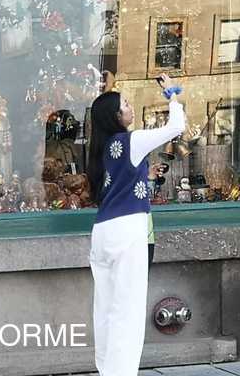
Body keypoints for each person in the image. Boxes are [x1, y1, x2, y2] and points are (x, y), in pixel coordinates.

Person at [87, 74, 186, 376]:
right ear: (116, 116)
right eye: (126, 104)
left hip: (103, 231)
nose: (130, 107)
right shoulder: (131, 140)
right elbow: (176, 127)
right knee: (127, 310)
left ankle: (107, 370)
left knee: (105, 308)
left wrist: (146, 176)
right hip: (128, 229)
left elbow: (120, 181)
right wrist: (172, 95)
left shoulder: (102, 148)